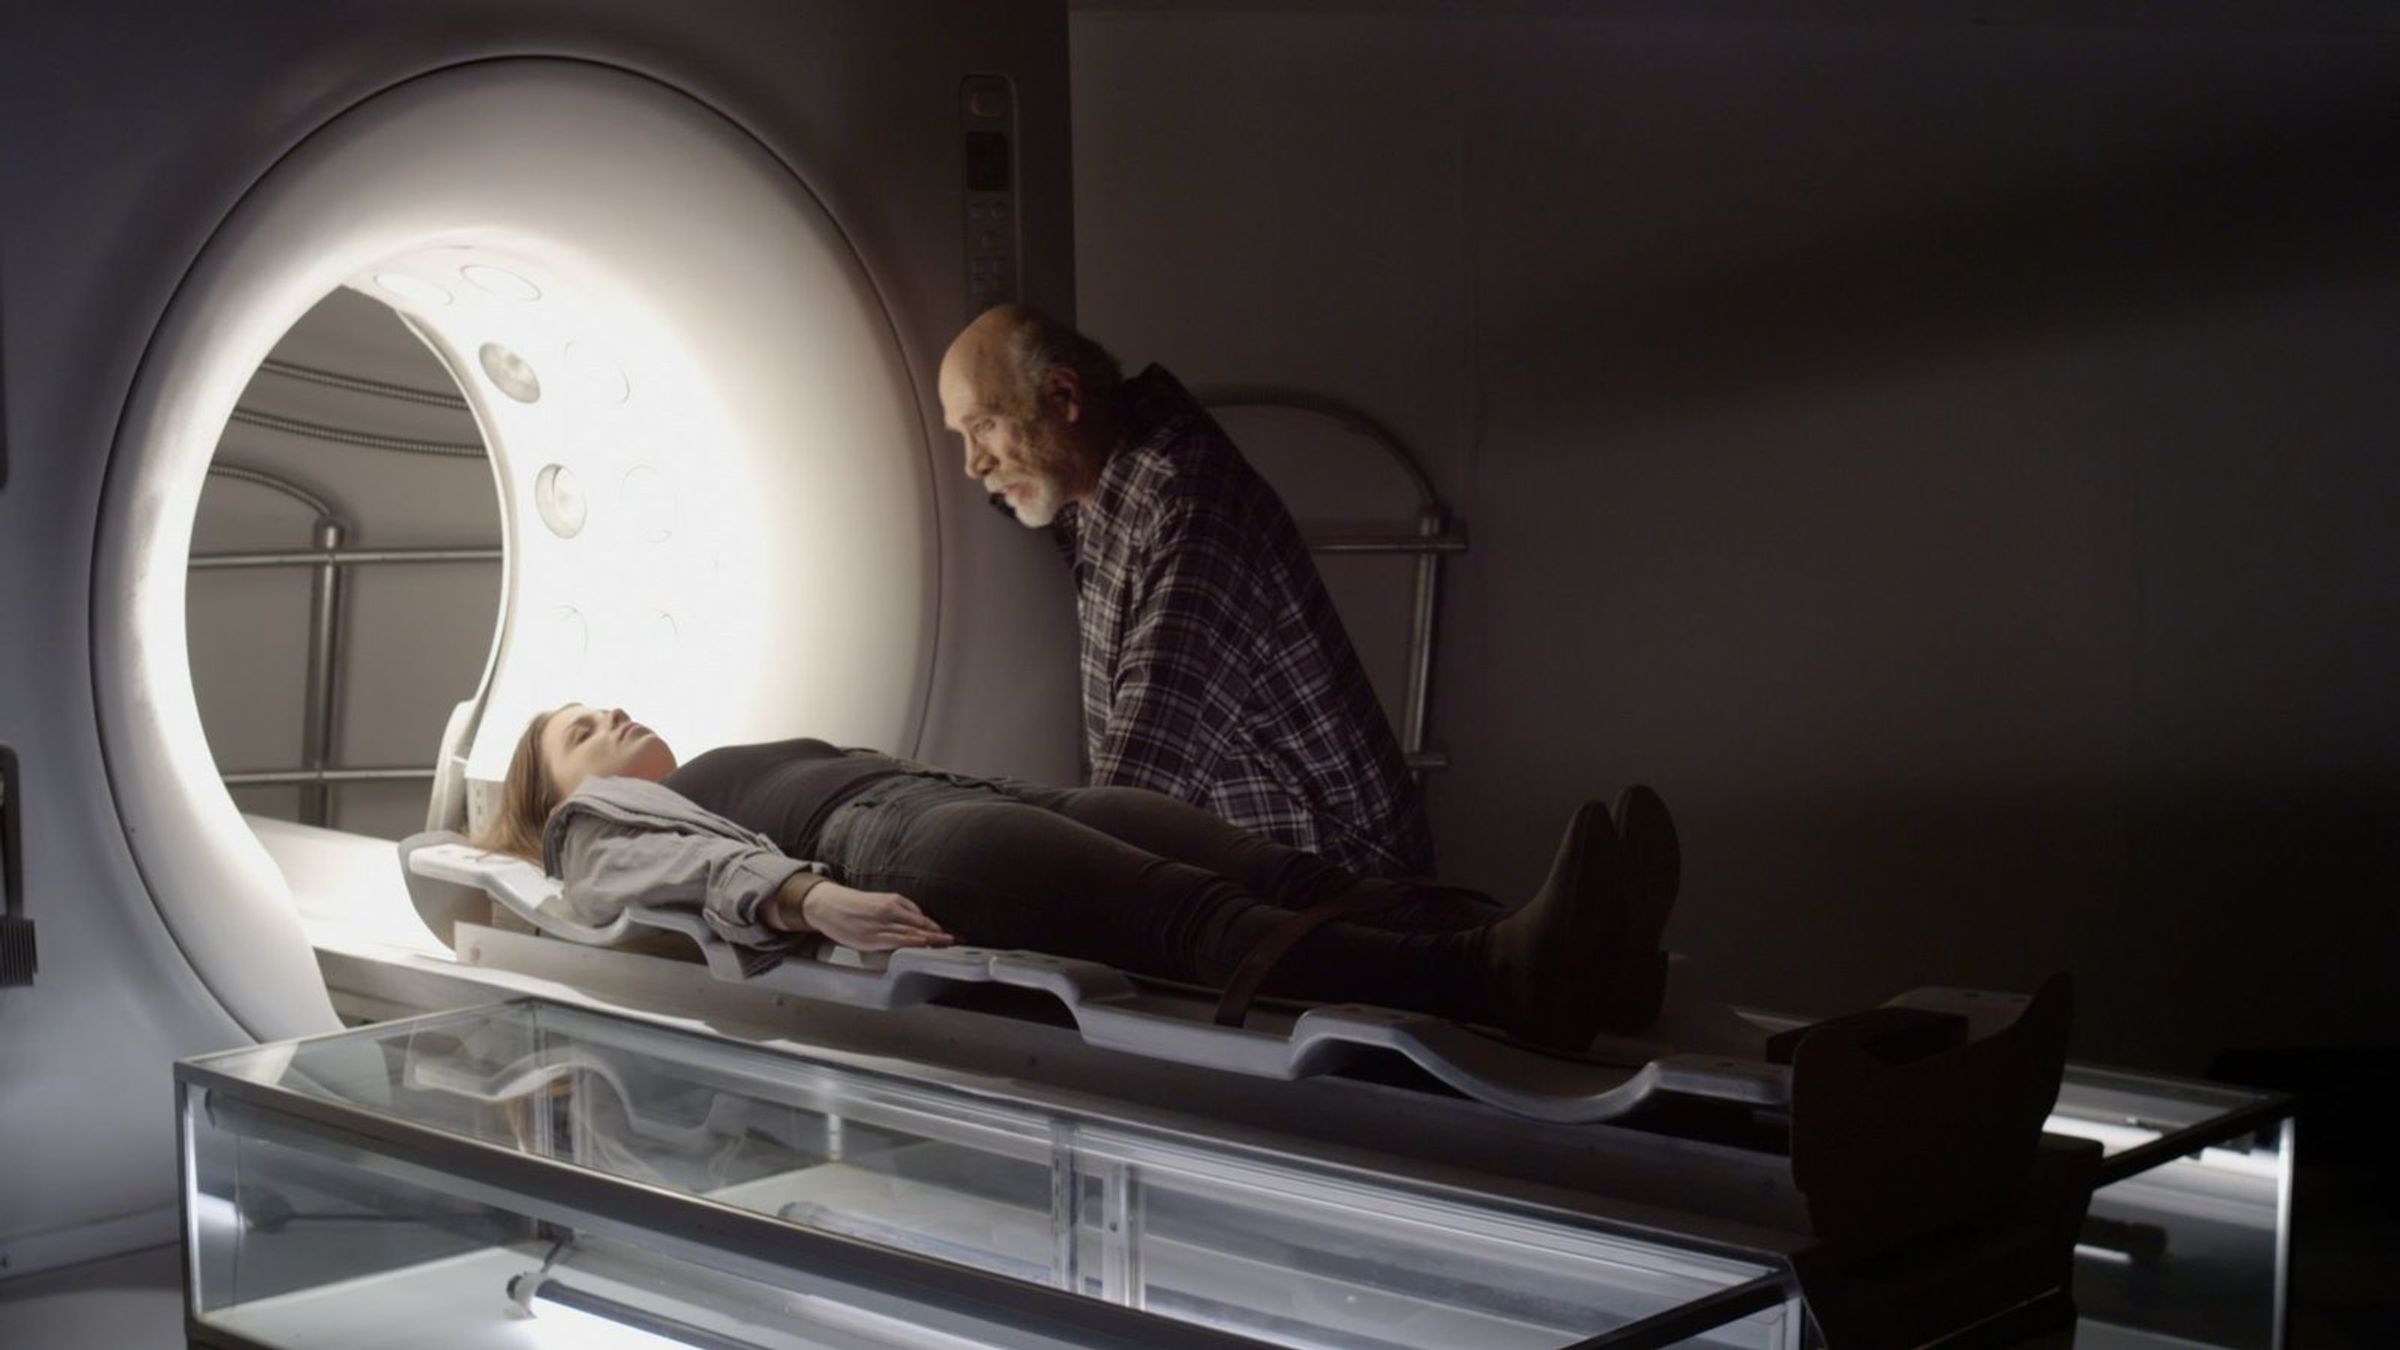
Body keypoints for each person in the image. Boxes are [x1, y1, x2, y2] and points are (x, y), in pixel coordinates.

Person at [473, 704, 1681, 1052]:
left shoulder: (711, 762)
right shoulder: (590, 825)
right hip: (891, 842)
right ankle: (1498, 974)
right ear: (551, 793)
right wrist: (801, 896)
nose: (611, 716)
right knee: (1200, 918)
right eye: (580, 728)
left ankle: (1592, 957)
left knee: (1282, 869)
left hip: (961, 797)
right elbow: (663, 866)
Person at [937, 306, 1435, 878]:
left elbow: (1139, 792)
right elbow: (1035, 470)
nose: (973, 465)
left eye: (983, 427)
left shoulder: (1189, 511)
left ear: (1064, 396)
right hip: (1265, 862)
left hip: (1343, 880)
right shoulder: (1101, 472)